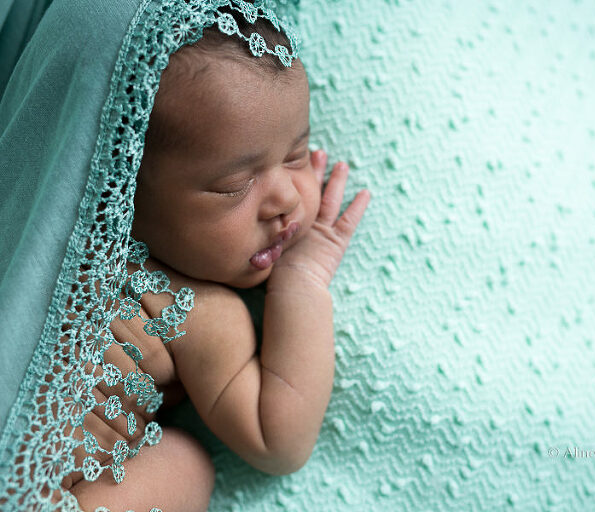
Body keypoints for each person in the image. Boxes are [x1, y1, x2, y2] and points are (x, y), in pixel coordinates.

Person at [0, 2, 369, 511]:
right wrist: (302, 279)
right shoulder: (194, 310)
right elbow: (278, 440)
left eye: (297, 155)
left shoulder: (33, 237)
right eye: (233, 186)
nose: (286, 198)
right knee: (189, 462)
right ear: (125, 181)